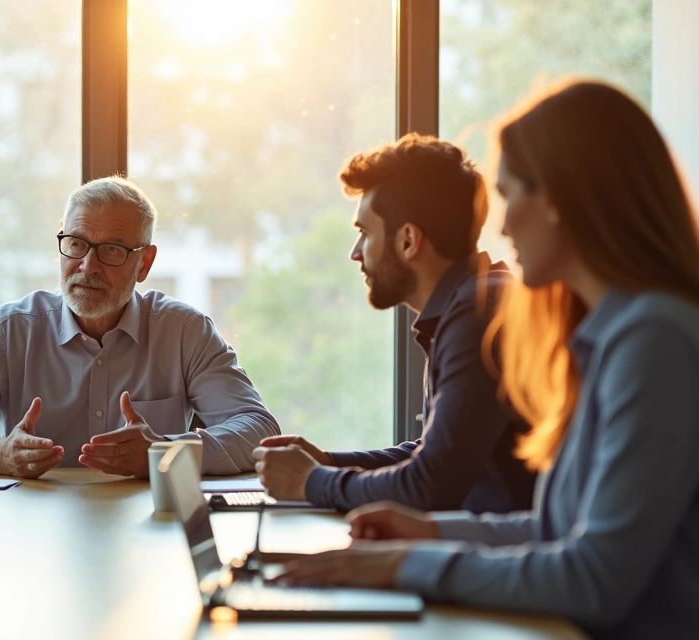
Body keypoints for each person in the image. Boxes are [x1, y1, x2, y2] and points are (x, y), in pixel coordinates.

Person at [270, 81, 699, 638]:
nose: (503, 225)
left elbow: (594, 578)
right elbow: (554, 529)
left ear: (559, 200)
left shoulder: (653, 341)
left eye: (511, 194)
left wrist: (404, 563)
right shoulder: (608, 336)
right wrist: (429, 533)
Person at [0, 176, 279, 478]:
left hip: (149, 533)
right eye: (77, 244)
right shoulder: (7, 332)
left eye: (112, 250)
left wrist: (163, 451)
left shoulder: (184, 332)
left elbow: (260, 430)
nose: (87, 266)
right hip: (27, 534)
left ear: (144, 264)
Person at [252, 134, 536, 514]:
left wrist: (310, 482)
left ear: (407, 241)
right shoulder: (469, 303)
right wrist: (326, 462)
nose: (355, 253)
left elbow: (429, 484)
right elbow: (428, 455)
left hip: (505, 557)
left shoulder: (478, 314)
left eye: (364, 234)